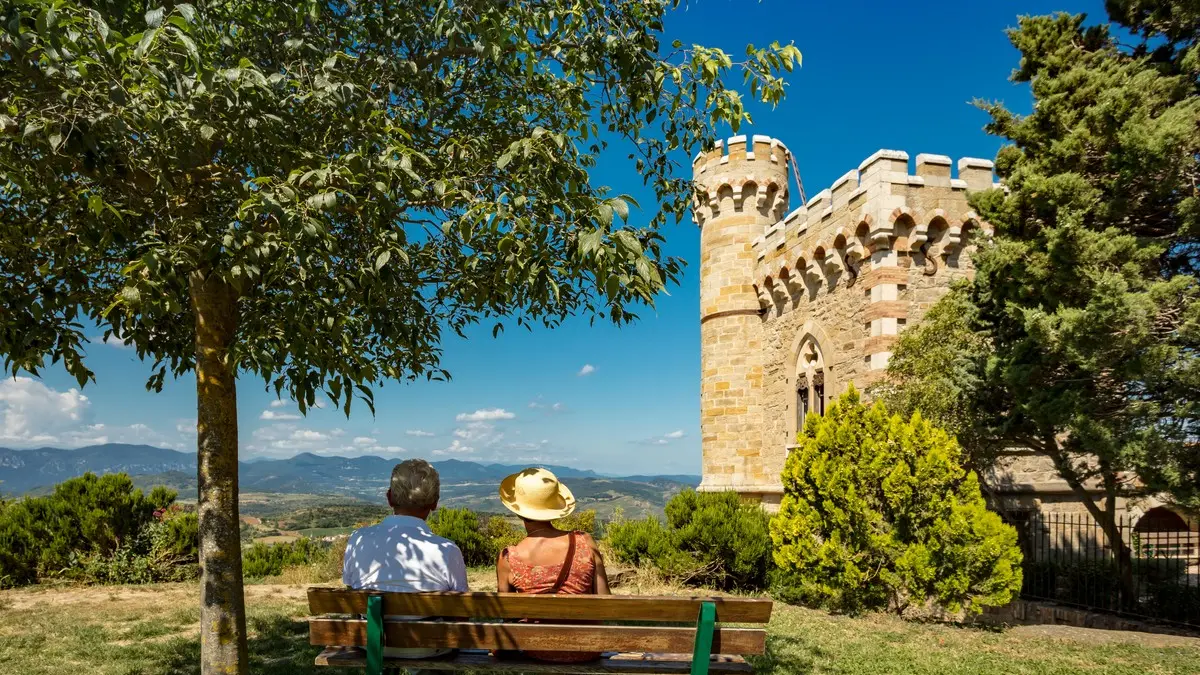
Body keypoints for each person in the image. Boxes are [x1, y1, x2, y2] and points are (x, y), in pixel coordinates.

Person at [342, 458, 468, 660]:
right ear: (434, 503)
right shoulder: (447, 550)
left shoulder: (358, 539)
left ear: (389, 498)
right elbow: (461, 612)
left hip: (371, 643)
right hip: (429, 647)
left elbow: (351, 592)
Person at [495, 467, 610, 663]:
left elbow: (506, 615)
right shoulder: (584, 541)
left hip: (537, 650)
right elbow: (605, 602)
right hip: (587, 649)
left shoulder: (508, 557)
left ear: (518, 511)